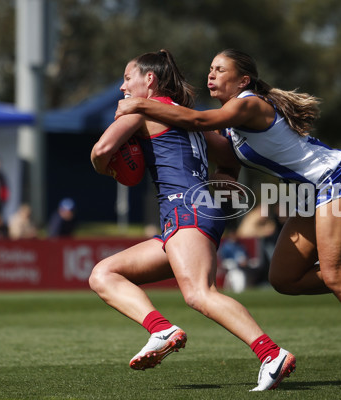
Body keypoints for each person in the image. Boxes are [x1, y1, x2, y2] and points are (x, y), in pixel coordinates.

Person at [115, 48, 341, 385]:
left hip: (337, 180)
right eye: (210, 69)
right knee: (284, 278)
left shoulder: (248, 103)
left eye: (220, 70)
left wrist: (139, 104)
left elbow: (197, 120)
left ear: (243, 80)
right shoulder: (232, 123)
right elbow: (223, 157)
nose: (211, 75)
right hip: (309, 193)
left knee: (337, 276)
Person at [89, 49, 294, 391]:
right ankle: (160, 329)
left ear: (149, 80)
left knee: (199, 294)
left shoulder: (141, 109)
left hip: (186, 213)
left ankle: (271, 354)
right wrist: (225, 175)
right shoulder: (187, 115)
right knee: (103, 274)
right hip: (191, 215)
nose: (123, 88)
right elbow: (229, 156)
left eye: (128, 79)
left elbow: (100, 151)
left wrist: (107, 168)